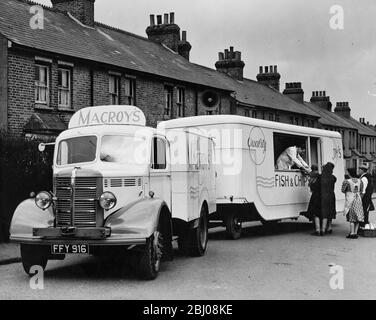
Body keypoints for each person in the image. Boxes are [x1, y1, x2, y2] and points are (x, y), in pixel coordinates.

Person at [342, 168, 364, 239]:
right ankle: (355, 233)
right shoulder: (360, 181)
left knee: (351, 217)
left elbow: (343, 190)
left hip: (350, 199)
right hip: (358, 199)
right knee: (357, 217)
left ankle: (351, 233)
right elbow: (361, 190)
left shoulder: (347, 181)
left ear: (349, 173)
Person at [321, 162, 337, 234]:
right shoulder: (333, 178)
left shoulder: (321, 177)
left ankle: (323, 228)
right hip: (331, 195)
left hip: (323, 195)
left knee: (324, 211)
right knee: (330, 211)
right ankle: (329, 227)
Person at [306, 165, 322, 236]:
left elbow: (311, 189)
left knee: (315, 214)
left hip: (314, 196)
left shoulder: (311, 179)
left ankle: (317, 230)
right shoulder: (319, 177)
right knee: (319, 213)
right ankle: (322, 229)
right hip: (321, 196)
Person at [359, 164, 374, 228]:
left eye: (359, 169)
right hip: (367, 197)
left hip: (365, 197)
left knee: (363, 211)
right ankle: (364, 224)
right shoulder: (367, 176)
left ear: (362, 170)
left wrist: (360, 198)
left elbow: (363, 190)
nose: (358, 171)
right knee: (365, 211)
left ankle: (363, 225)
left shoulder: (364, 178)